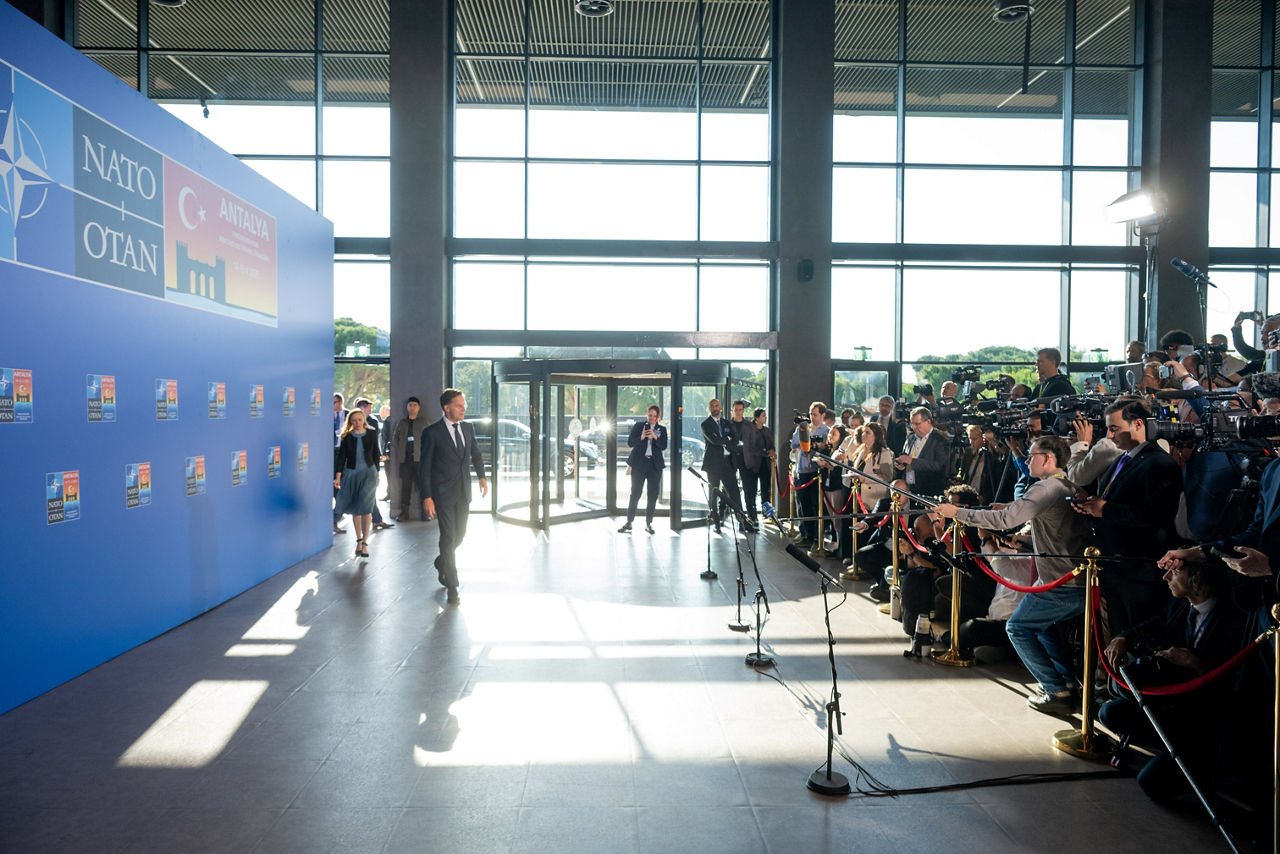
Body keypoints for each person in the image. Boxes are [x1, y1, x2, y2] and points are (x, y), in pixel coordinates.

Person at [934, 435, 1095, 714]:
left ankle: (1055, 689)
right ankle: (1066, 683)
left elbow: (1005, 521)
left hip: (1063, 582)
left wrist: (957, 512)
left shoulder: (1046, 487)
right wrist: (1026, 539)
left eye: (1031, 456)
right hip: (1073, 579)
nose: (1027, 460)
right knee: (1039, 626)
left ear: (1047, 459)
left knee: (1017, 628)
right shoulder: (1067, 485)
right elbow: (1056, 530)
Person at [1099, 561, 1247, 803]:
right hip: (1174, 706)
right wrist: (1122, 637)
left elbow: (1235, 685)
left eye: (1176, 572)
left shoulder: (1233, 619)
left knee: (1150, 783)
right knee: (1109, 712)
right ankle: (1166, 749)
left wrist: (1194, 663)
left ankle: (1206, 768)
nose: (1166, 577)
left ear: (1197, 579)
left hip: (1206, 722)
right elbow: (1154, 621)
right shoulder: (1180, 605)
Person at [1072, 398, 1183, 634]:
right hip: (1117, 569)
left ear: (1138, 424)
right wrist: (1091, 508)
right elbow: (1112, 502)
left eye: (1114, 429)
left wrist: (1105, 510)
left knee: (1141, 639)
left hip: (1141, 572)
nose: (1109, 437)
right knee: (1120, 638)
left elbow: (1157, 516)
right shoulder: (1123, 459)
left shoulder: (1160, 463)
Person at [419, 389, 488, 606]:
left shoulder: (468, 427)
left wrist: (482, 477)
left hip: (463, 492)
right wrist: (427, 496)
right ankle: (452, 586)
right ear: (446, 408)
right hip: (442, 494)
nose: (463, 408)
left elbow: (475, 453)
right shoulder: (432, 432)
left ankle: (441, 562)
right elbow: (425, 467)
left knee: (460, 536)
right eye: (459, 405)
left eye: (463, 404)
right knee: (448, 537)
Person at [334, 409, 380, 558]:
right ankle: (359, 541)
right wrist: (338, 477)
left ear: (364, 420)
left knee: (366, 509)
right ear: (350, 422)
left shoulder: (372, 433)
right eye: (354, 420)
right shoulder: (346, 437)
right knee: (356, 509)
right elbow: (341, 458)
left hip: (369, 474)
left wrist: (377, 474)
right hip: (352, 475)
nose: (357, 423)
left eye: (360, 420)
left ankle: (365, 544)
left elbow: (376, 455)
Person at [701, 399, 747, 532]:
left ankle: (742, 522)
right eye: (712, 406)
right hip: (713, 465)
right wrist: (727, 440)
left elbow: (736, 439)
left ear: (720, 407)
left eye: (717, 406)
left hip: (728, 463)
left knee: (735, 493)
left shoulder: (726, 423)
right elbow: (714, 440)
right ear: (709, 408)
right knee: (713, 493)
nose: (715, 408)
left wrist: (725, 440)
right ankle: (716, 523)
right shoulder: (706, 424)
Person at [619, 404, 666, 534]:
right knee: (635, 493)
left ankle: (648, 523)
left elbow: (663, 446)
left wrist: (655, 438)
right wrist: (641, 437)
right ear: (647, 415)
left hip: (654, 466)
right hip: (639, 465)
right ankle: (629, 522)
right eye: (650, 415)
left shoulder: (662, 429)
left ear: (658, 417)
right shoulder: (639, 426)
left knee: (652, 495)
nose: (651, 418)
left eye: (654, 416)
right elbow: (630, 443)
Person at [354, 398, 393, 531]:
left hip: (368, 462)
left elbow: (373, 444)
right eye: (368, 409)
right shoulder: (351, 422)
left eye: (370, 410)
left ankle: (376, 520)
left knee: (368, 493)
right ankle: (335, 518)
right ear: (361, 409)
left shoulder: (373, 422)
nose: (370, 412)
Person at [894, 406, 949, 499]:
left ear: (928, 422)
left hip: (928, 491)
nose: (914, 427)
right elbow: (905, 456)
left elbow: (941, 466)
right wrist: (900, 464)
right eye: (912, 423)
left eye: (917, 424)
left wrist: (912, 462)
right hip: (908, 489)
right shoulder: (910, 437)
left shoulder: (940, 439)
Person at [739, 407, 776, 523]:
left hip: (765, 464)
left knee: (766, 489)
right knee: (752, 490)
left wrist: (772, 451)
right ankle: (752, 515)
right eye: (763, 416)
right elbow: (749, 448)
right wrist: (765, 452)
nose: (765, 417)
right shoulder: (749, 430)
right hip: (752, 464)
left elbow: (771, 445)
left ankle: (766, 513)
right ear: (757, 418)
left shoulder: (767, 430)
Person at [391, 396, 424, 521]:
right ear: (407, 407)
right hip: (405, 460)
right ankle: (404, 513)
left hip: (420, 460)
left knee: (423, 486)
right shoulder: (402, 422)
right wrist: (401, 449)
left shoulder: (423, 422)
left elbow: (430, 438)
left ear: (419, 407)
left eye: (415, 405)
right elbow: (395, 438)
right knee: (405, 487)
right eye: (410, 405)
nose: (412, 407)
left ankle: (425, 512)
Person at [333, 393, 348, 535]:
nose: (334, 405)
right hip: (330, 453)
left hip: (343, 454)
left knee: (342, 488)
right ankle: (334, 519)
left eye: (336, 402)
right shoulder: (326, 416)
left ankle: (335, 518)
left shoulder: (349, 415)